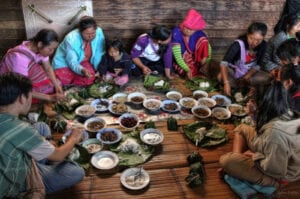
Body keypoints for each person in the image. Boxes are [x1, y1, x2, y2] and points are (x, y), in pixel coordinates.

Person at [0, 72, 85, 198]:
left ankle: (44, 153)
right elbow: (58, 156)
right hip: (14, 181)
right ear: (22, 98)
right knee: (76, 172)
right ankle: (45, 159)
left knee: (41, 127)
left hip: (11, 160)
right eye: (30, 95)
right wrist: (73, 138)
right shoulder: (20, 128)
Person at [219, 81, 300, 193]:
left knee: (226, 161)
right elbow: (264, 130)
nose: (250, 103)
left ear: (263, 104)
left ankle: (273, 184)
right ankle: (237, 157)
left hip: (280, 175)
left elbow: (274, 170)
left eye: (253, 101)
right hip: (273, 153)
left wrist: (254, 156)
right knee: (242, 128)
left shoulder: (275, 133)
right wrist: (253, 115)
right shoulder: (286, 111)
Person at [0, 29, 64, 103]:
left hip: (25, 78)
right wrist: (49, 98)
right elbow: (22, 87)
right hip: (11, 84)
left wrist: (56, 86)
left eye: (53, 49)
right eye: (50, 49)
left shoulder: (39, 49)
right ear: (40, 44)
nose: (52, 52)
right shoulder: (19, 58)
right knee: (23, 98)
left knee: (57, 83)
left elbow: (48, 68)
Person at [219, 22, 272, 96]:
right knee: (220, 76)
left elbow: (257, 65)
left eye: (258, 40)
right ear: (247, 34)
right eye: (251, 38)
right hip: (234, 72)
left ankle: (243, 85)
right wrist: (226, 83)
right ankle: (242, 86)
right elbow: (224, 63)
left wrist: (246, 77)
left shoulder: (263, 46)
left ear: (263, 38)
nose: (254, 42)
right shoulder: (238, 45)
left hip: (249, 74)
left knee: (268, 78)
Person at [52, 16, 105, 86]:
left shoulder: (99, 32)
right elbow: (72, 62)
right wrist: (82, 70)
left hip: (83, 62)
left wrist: (100, 70)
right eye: (87, 34)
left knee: (90, 77)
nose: (90, 36)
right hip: (63, 63)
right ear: (80, 31)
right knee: (63, 82)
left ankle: (76, 82)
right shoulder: (71, 39)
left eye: (93, 33)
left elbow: (99, 53)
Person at [172, 8, 212, 79]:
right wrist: (187, 69)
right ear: (183, 25)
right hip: (182, 58)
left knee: (204, 40)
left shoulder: (199, 33)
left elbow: (208, 48)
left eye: (191, 29)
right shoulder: (176, 33)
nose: (188, 31)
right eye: (186, 28)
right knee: (190, 73)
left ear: (195, 30)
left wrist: (207, 62)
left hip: (195, 58)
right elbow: (177, 57)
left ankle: (201, 65)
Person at [262, 13, 300, 78]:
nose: (299, 28)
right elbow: (277, 58)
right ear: (288, 26)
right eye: (298, 26)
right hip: (270, 63)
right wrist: (292, 66)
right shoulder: (280, 38)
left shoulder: (293, 36)